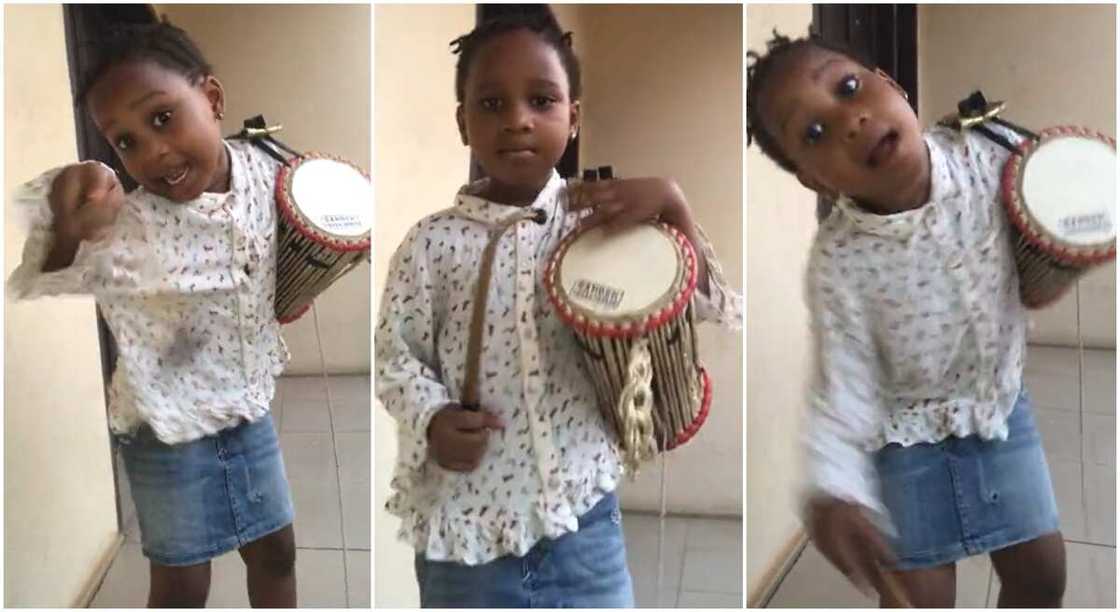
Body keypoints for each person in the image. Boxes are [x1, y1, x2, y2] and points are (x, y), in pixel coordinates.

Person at [376, 10, 742, 608]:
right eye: (492, 104)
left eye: (541, 100)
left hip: (583, 524)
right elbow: (394, 354)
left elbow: (692, 301)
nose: (517, 119)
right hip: (467, 533)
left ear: (572, 118)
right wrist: (432, 418)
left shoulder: (600, 220)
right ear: (463, 123)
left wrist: (674, 208)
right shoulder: (429, 243)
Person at [746, 31, 1065, 607]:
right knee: (916, 599)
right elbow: (841, 387)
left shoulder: (990, 154)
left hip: (997, 406)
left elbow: (1062, 189)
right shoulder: (838, 263)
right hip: (903, 436)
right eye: (814, 133)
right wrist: (833, 487)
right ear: (814, 179)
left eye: (848, 87)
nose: (849, 121)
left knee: (1043, 575)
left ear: (889, 83)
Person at [8, 20, 298, 607]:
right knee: (182, 580)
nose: (153, 150)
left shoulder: (268, 174)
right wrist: (69, 225)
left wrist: (292, 288)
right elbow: (47, 275)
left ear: (212, 100)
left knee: (277, 551)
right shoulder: (124, 223)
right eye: (126, 141)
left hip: (246, 407)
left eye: (162, 118)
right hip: (162, 426)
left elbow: (299, 233)